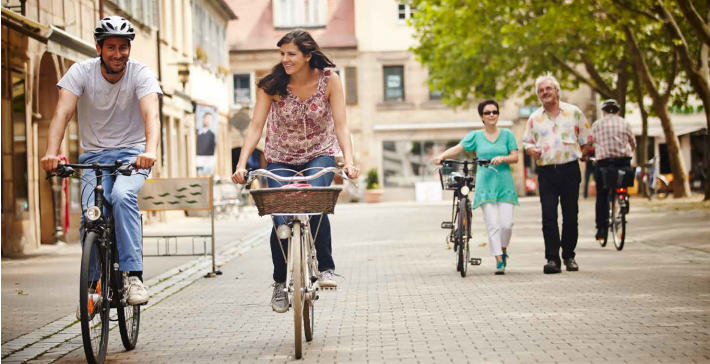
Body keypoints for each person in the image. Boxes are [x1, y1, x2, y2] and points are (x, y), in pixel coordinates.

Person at [231, 30, 359, 313]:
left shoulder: (330, 80)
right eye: (282, 54)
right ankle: (280, 282)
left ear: (307, 55)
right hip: (280, 158)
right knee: (280, 213)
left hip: (319, 154)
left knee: (315, 201)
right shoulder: (272, 84)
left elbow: (341, 126)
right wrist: (241, 165)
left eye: (291, 54)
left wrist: (348, 162)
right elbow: (255, 127)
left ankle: (325, 267)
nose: (285, 59)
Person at [40, 16, 162, 312]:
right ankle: (93, 286)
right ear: (98, 48)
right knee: (91, 214)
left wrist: (150, 151)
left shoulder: (140, 73)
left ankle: (133, 276)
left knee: (121, 196)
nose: (118, 54)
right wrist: (51, 152)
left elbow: (151, 116)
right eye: (111, 47)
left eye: (123, 47)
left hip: (133, 156)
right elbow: (61, 113)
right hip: (94, 159)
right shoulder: (80, 72)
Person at [434, 100, 519, 275]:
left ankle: (503, 250)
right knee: (493, 224)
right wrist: (441, 156)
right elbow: (459, 148)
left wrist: (502, 158)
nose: (491, 115)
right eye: (487, 113)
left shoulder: (507, 134)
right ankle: (498, 260)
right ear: (481, 116)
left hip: (504, 184)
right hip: (485, 183)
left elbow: (515, 156)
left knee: (507, 224)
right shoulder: (476, 136)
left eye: (494, 112)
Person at [522, 73, 592, 274]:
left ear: (557, 91)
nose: (545, 93)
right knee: (549, 217)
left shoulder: (574, 112)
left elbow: (587, 138)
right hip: (546, 173)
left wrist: (582, 154)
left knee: (571, 216)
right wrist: (530, 150)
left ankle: (569, 256)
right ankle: (552, 259)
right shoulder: (535, 118)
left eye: (548, 89)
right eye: (541, 90)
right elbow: (527, 142)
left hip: (569, 169)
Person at [590, 99, 636, 240]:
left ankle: (602, 230)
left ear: (604, 112)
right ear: (618, 111)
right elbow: (632, 143)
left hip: (604, 163)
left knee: (602, 194)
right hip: (623, 162)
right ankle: (624, 198)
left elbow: (590, 141)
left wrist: (587, 155)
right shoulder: (625, 123)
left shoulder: (597, 124)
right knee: (623, 181)